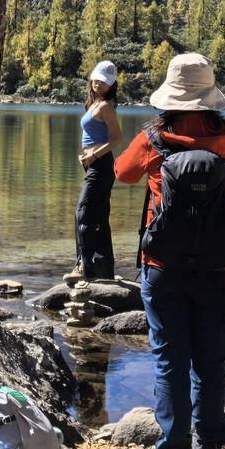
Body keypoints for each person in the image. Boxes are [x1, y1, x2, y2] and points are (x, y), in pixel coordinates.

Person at [115, 53, 225, 449]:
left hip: (163, 268)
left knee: (169, 361)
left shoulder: (155, 136)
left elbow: (123, 174)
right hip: (218, 269)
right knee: (211, 363)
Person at [68, 60, 123, 282]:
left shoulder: (105, 106)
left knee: (83, 213)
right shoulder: (94, 103)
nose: (99, 84)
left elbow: (117, 138)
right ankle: (104, 270)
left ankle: (84, 267)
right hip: (94, 164)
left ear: (111, 86)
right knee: (98, 216)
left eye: (105, 82)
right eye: (97, 79)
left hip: (101, 165)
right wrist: (87, 156)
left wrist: (93, 155)